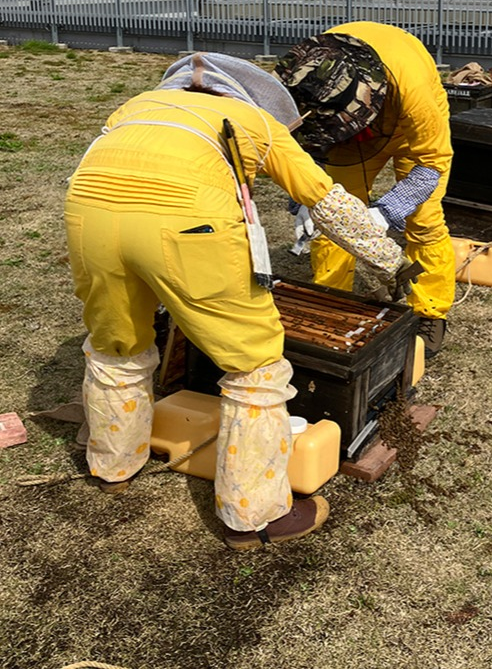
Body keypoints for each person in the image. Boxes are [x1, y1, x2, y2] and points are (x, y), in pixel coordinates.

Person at [64, 52, 410, 552]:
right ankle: (254, 515)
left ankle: (113, 463)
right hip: (186, 225)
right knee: (255, 368)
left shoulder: (138, 104)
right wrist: (389, 259)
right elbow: (325, 199)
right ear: (248, 97)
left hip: (87, 217)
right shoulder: (250, 119)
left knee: (117, 343)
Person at [273, 22, 455, 359]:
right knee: (331, 219)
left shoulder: (412, 90)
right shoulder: (308, 75)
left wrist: (387, 212)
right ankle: (332, 301)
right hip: (341, 138)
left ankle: (430, 310)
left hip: (407, 131)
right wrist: (302, 198)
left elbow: (432, 162)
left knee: (425, 221)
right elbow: (303, 146)